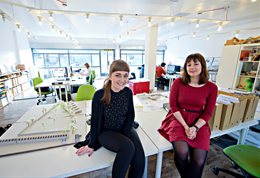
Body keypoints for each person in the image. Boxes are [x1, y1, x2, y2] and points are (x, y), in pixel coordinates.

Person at [76, 60, 145, 178]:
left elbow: (130, 115)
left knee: (139, 161)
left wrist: (124, 134)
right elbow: (95, 121)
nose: (122, 80)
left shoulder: (128, 92)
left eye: (125, 76)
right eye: (117, 75)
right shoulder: (99, 95)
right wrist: (92, 144)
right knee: (128, 148)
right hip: (106, 132)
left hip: (124, 128)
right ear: (110, 76)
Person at [158, 53, 218, 178]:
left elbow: (208, 112)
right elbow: (173, 106)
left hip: (199, 120)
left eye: (196, 64)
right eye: (189, 64)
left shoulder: (212, 87)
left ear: (203, 66)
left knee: (199, 160)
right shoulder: (178, 82)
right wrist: (186, 126)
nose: (192, 67)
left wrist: (195, 128)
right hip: (178, 118)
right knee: (182, 151)